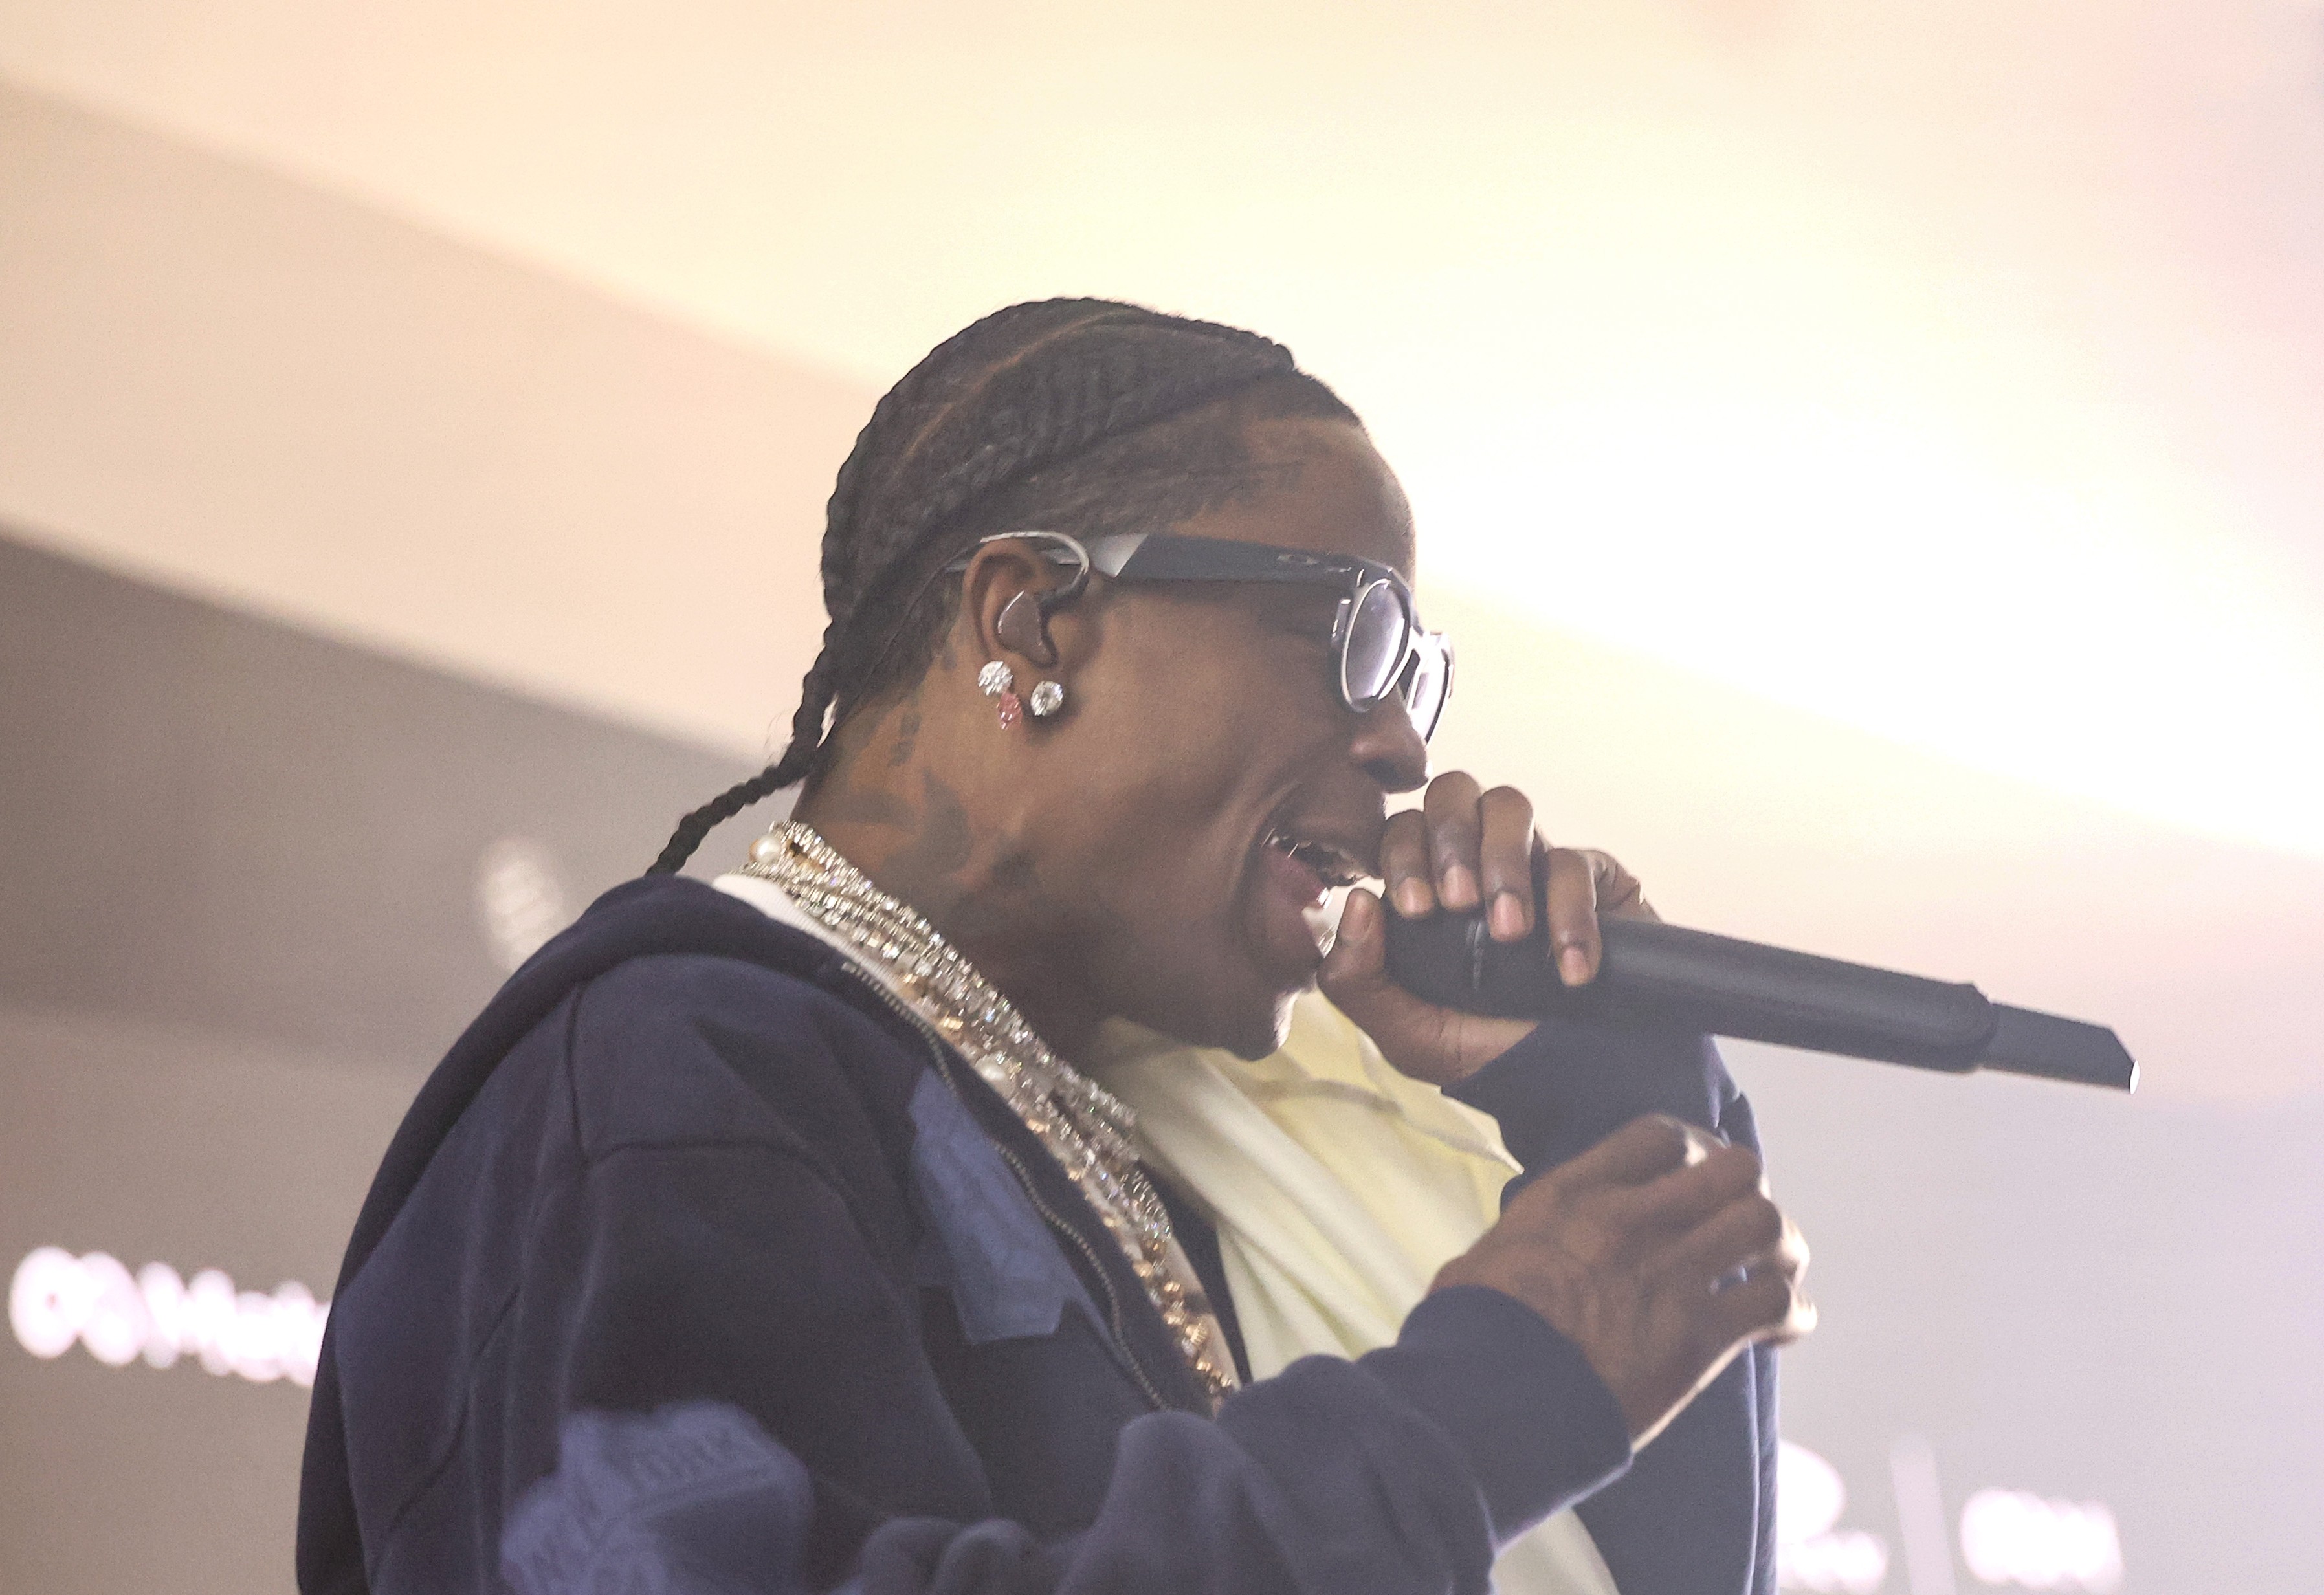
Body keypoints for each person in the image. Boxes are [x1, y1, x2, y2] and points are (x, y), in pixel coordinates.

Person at [296, 299, 1811, 1595]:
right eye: (1351, 633)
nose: (1402, 747)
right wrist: (1474, 1407)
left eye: (1416, 675)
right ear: (1028, 623)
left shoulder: (1163, 1167)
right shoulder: (671, 1067)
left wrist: (1603, 1089)